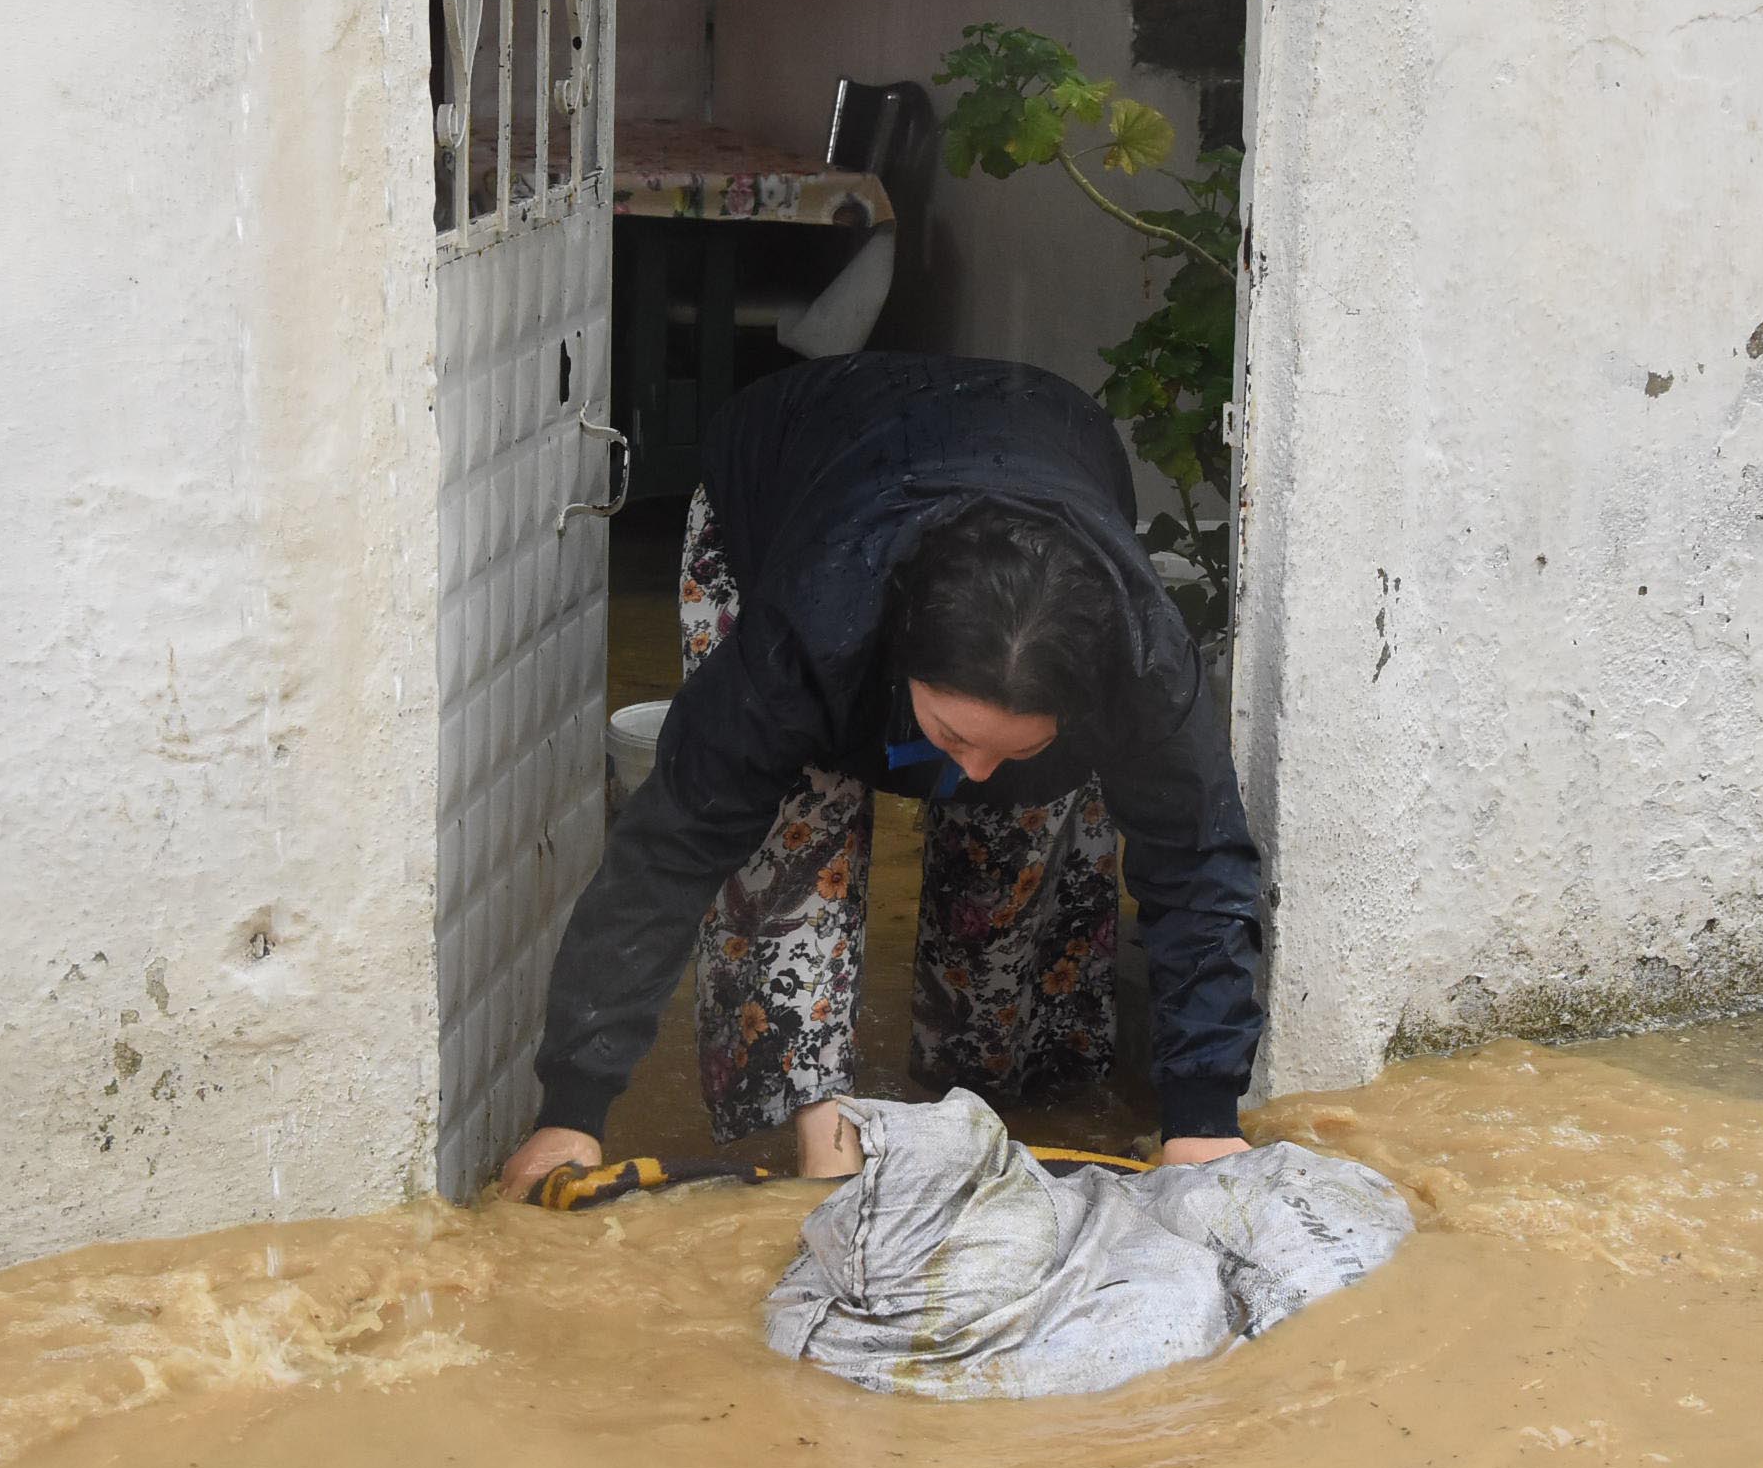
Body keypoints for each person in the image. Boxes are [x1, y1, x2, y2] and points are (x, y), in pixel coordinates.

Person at [497, 352, 1264, 1199]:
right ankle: (822, 1150)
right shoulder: (805, 633)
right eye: (949, 734)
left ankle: (980, 1101)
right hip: (798, 474)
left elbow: (1199, 862)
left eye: (1011, 746)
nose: (965, 774)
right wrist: (572, 1108)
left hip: (1040, 434)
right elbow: (670, 848)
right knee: (794, 834)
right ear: (899, 655)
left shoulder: (1143, 664)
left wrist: (1204, 1119)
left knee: (1018, 844)